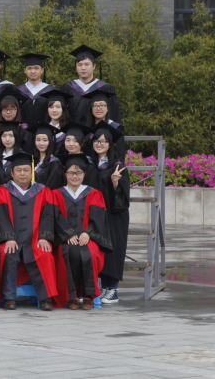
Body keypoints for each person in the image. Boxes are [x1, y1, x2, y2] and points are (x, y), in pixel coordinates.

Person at [0, 151, 68, 311]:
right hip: (12, 238)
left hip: (35, 238)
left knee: (45, 255)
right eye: (18, 170)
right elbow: (1, 216)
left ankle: (45, 299)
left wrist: (44, 237)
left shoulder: (43, 191)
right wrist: (8, 237)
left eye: (26, 170)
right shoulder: (2, 191)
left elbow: (48, 216)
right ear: (12, 173)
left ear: (31, 171)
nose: (22, 173)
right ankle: (9, 298)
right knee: (8, 254)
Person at [53, 154, 112, 310]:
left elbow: (99, 218)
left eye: (78, 172)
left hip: (88, 237)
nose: (75, 176)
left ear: (84, 174)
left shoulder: (93, 193)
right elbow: (56, 217)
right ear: (65, 174)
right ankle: (72, 296)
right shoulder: (56, 194)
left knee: (89, 254)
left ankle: (88, 295)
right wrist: (68, 234)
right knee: (69, 252)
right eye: (71, 172)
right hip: (66, 237)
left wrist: (88, 233)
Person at [88, 122, 130, 305]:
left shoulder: (118, 166)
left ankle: (112, 288)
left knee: (113, 248)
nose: (99, 144)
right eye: (96, 141)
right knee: (99, 248)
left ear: (110, 144)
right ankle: (101, 286)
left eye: (103, 141)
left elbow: (123, 199)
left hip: (114, 216)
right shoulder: (90, 164)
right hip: (96, 213)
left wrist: (115, 183)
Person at [60, 45, 121, 126]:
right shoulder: (68, 88)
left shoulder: (105, 88)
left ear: (94, 66)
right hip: (75, 132)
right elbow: (62, 114)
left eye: (87, 64)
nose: (83, 68)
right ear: (75, 67)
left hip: (98, 132)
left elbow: (114, 114)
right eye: (80, 65)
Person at [85, 89, 126, 159]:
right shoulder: (87, 129)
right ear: (91, 109)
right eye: (95, 105)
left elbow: (120, 151)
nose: (98, 108)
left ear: (107, 109)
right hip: (91, 164)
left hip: (111, 164)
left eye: (102, 105)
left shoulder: (115, 128)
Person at [18, 53, 55, 128]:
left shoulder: (51, 91)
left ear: (42, 70)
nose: (33, 71)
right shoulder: (18, 91)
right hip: (22, 131)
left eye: (36, 68)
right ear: (25, 70)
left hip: (44, 131)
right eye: (29, 68)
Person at [0, 121, 23, 191]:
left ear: (16, 137)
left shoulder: (22, 157)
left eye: (11, 135)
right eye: (4, 135)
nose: (7, 139)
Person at [26, 123, 63, 189]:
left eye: (45, 140)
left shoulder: (54, 163)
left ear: (50, 142)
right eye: (38, 140)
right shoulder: (33, 161)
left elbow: (52, 187)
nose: (41, 143)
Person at [41, 88, 73, 152]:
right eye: (51, 107)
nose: (54, 110)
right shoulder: (43, 128)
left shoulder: (69, 129)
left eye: (58, 107)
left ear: (63, 109)